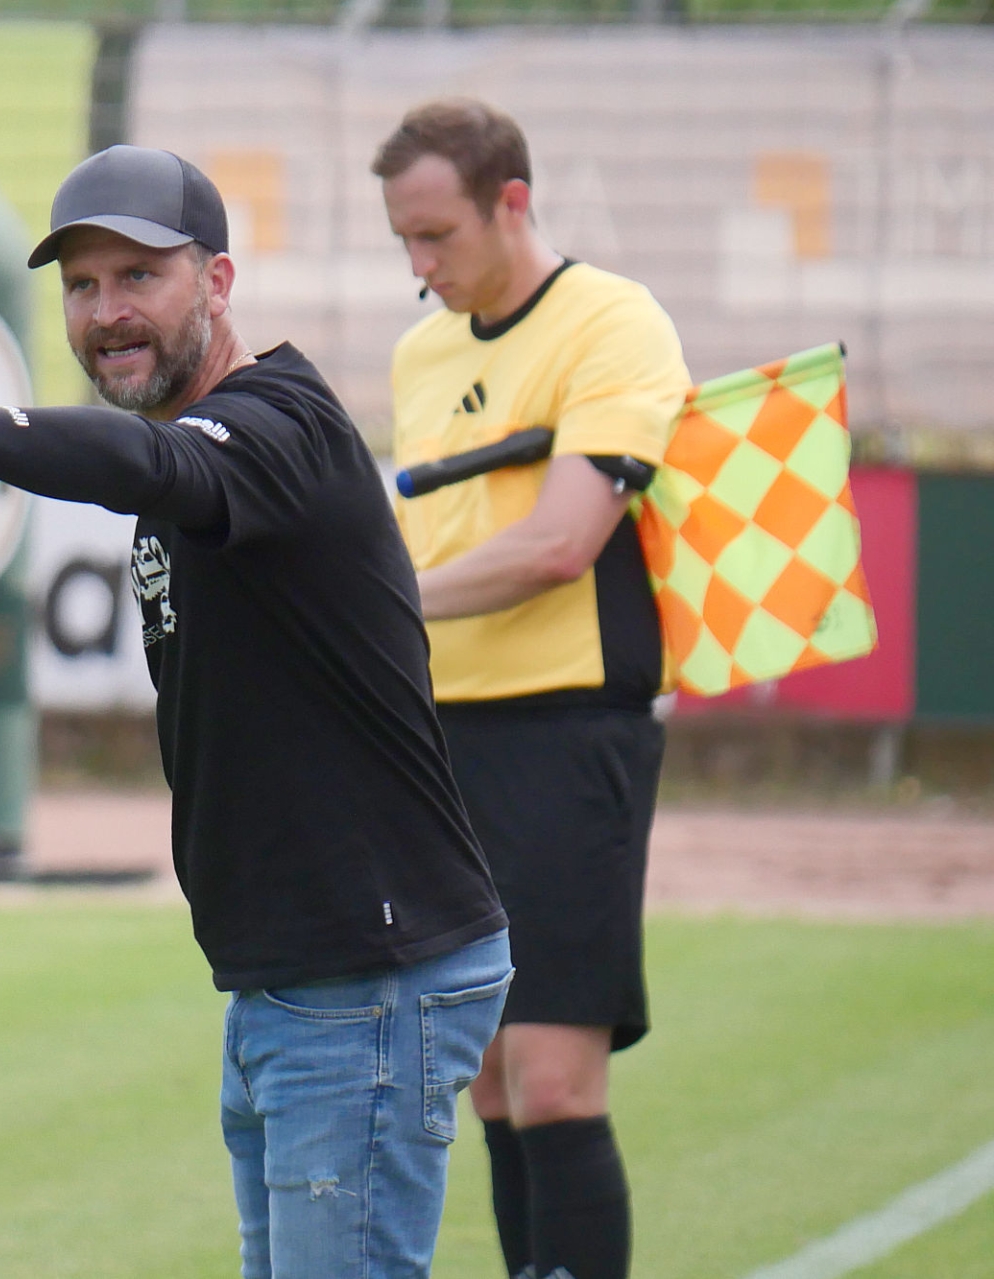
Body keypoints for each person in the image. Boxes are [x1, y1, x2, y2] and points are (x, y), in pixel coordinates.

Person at [0, 143, 510, 1279]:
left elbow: (150, 463)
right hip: (298, 977)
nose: (106, 314)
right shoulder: (201, 447)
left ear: (217, 283)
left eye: (139, 276)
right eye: (82, 286)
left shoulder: (277, 427)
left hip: (365, 977)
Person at [374, 99, 691, 1279]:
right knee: (494, 1085)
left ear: (513, 203)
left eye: (437, 235)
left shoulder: (612, 320)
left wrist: (383, 604)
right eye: (403, 239)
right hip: (441, 740)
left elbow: (562, 544)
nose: (420, 265)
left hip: (569, 728)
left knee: (555, 1079)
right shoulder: (422, 353)